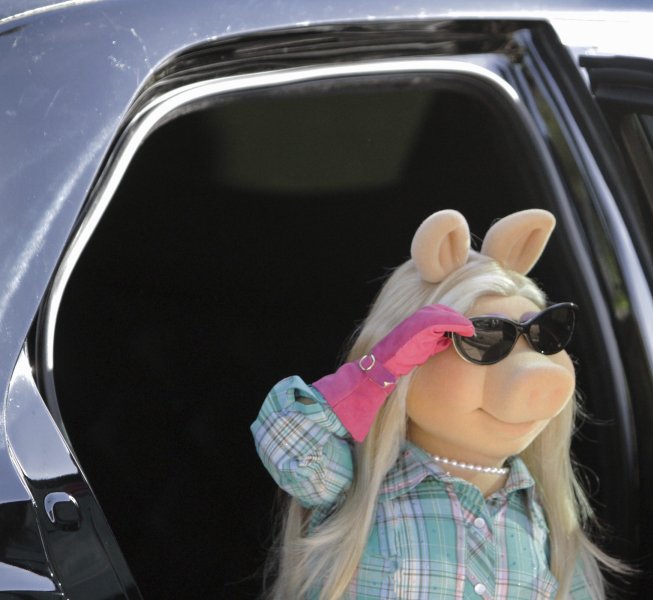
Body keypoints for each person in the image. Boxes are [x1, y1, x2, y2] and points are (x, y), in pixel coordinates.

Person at [252, 209, 622, 599]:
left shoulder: (548, 520)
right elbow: (286, 436)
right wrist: (376, 372)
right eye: (484, 338)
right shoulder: (356, 485)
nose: (532, 367)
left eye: (545, 334)